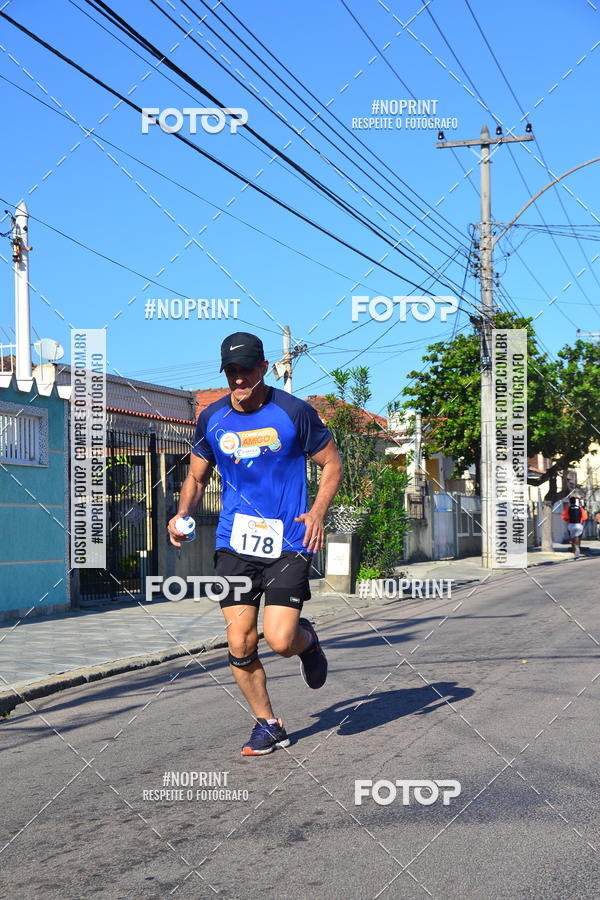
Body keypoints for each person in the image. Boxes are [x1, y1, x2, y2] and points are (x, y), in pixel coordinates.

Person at [168, 332, 342, 756]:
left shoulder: (294, 413)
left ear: (263, 368)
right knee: (241, 641)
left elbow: (332, 462)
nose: (239, 378)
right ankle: (267, 723)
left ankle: (309, 641)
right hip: (235, 543)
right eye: (231, 372)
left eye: (246, 370)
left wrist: (317, 512)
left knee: (280, 640)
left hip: (288, 542)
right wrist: (183, 514)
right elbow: (196, 476)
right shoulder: (211, 419)